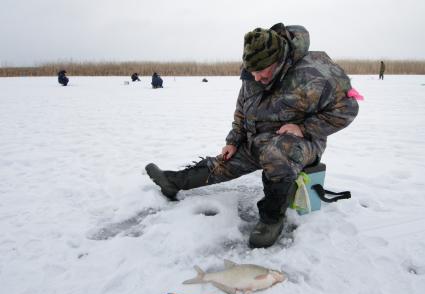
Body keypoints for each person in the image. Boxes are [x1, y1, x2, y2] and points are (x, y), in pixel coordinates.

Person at [145, 23, 358, 248]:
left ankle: (272, 219)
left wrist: (304, 128)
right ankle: (173, 182)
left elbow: (348, 108)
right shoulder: (253, 71)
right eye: (251, 72)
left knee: (276, 154)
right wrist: (234, 140)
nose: (255, 77)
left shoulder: (317, 71)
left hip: (297, 144)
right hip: (257, 139)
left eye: (260, 72)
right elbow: (242, 108)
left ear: (277, 61)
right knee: (224, 162)